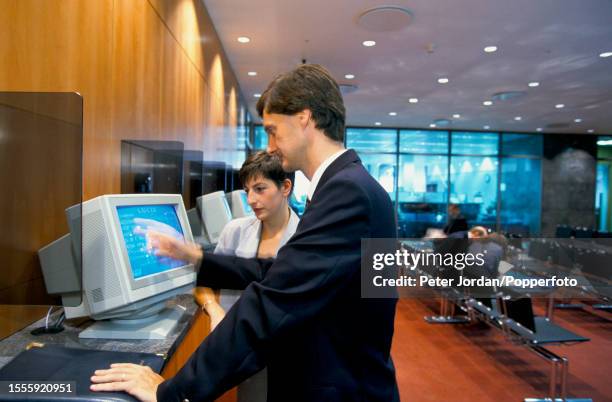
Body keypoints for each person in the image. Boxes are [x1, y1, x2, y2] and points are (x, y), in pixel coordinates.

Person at [90, 64, 399, 402]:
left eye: (272, 130)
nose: (269, 146)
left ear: (304, 118)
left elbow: (275, 299)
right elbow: (282, 271)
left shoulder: (347, 192)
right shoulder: (355, 186)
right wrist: (195, 256)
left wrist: (173, 392)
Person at [196, 151, 299, 402]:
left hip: (290, 352)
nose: (252, 200)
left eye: (260, 189)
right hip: (241, 347)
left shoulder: (304, 237)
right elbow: (204, 281)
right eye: (247, 191)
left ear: (285, 187)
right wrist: (214, 309)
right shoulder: (235, 230)